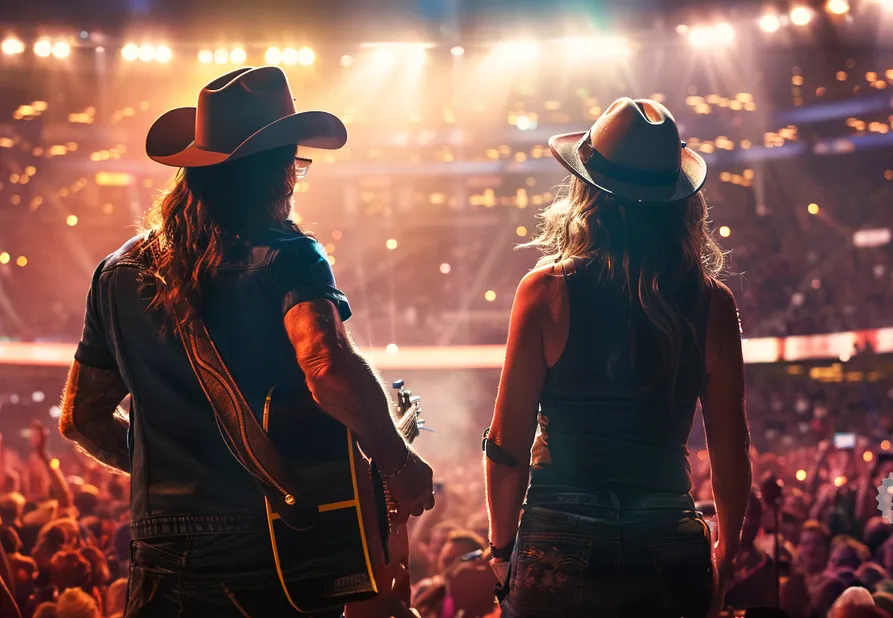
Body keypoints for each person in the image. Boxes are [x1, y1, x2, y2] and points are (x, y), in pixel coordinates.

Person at [58, 66, 435, 617]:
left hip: (156, 553)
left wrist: (165, 471)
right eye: (295, 165)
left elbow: (81, 419)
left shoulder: (118, 273)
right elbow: (325, 366)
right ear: (279, 170)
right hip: (268, 550)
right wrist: (397, 462)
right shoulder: (288, 255)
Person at [484, 97, 752, 617]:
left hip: (557, 535)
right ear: (679, 203)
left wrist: (500, 547)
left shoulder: (547, 292)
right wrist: (727, 552)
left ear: (587, 192)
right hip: (669, 535)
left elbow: (507, 443)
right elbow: (730, 447)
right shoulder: (713, 304)